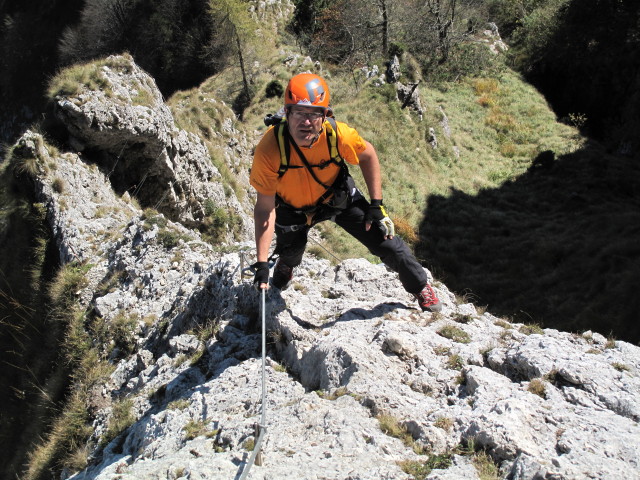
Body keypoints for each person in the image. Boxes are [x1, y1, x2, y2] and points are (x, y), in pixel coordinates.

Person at [249, 73, 441, 312]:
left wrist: (376, 204)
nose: (306, 122)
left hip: (337, 198)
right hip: (292, 208)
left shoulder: (338, 135)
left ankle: (419, 286)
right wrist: (261, 263)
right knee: (291, 250)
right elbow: (265, 209)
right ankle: (285, 267)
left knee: (386, 241)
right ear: (286, 113)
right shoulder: (270, 149)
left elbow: (368, 155)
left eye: (314, 114)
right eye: (299, 112)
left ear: (325, 115)